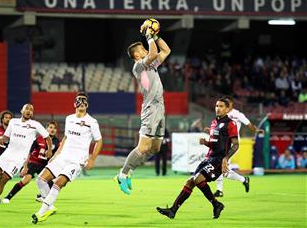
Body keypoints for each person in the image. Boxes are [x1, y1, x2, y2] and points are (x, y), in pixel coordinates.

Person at [156, 98, 239, 219]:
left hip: (218, 160)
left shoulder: (231, 123)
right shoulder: (214, 123)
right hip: (209, 158)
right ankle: (173, 210)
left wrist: (226, 159)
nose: (218, 108)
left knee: (198, 178)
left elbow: (236, 145)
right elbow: (215, 143)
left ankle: (216, 204)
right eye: (216, 106)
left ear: (227, 109)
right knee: (190, 182)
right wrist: (206, 143)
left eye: (221, 106)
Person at [114, 19, 171, 195]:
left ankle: (129, 171)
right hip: (150, 109)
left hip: (160, 107)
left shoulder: (150, 64)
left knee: (155, 148)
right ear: (137, 55)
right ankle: (122, 175)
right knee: (143, 147)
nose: (145, 49)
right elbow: (153, 52)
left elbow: (166, 50)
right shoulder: (139, 66)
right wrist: (148, 35)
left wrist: (156, 35)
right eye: (141, 50)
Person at [31, 92, 103, 224]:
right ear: (74, 103)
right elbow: (65, 138)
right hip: (63, 157)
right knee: (40, 180)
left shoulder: (92, 122)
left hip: (77, 161)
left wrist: (92, 159)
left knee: (58, 182)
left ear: (87, 104)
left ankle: (41, 212)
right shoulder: (69, 118)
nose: (81, 103)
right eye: (79, 100)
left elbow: (99, 140)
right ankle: (50, 207)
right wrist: (56, 154)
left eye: (84, 101)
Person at [0, 104, 53, 212]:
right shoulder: (13, 122)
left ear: (32, 113)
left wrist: (49, 150)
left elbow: (47, 138)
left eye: (31, 110)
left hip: (19, 159)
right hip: (7, 155)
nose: (29, 111)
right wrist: (3, 138)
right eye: (27, 108)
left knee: (3, 180)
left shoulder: (35, 125)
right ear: (22, 110)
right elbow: (6, 137)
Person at [212, 95, 263, 198]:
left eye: (226, 103)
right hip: (222, 142)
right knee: (220, 167)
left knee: (222, 166)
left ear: (231, 104)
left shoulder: (237, 114)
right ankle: (224, 188)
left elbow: (248, 124)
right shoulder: (221, 115)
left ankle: (222, 189)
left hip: (232, 143)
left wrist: (256, 130)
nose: (224, 106)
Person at [2, 121, 60, 203]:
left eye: (54, 128)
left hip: (44, 165)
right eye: (50, 127)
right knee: (26, 180)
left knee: (52, 183)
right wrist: (25, 167)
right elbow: (28, 153)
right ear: (46, 129)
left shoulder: (56, 142)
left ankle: (42, 196)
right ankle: (8, 197)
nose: (52, 129)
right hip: (33, 163)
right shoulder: (38, 139)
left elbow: (56, 155)